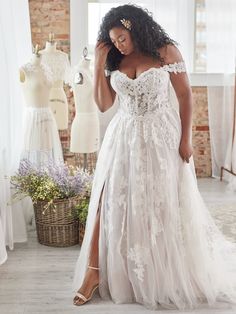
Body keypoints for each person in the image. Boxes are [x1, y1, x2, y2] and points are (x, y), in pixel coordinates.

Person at [73, 4, 236, 310]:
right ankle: (96, 273)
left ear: (134, 28)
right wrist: (98, 65)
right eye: (114, 40)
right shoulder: (114, 59)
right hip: (124, 136)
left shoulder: (166, 51)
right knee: (111, 201)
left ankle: (158, 269)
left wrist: (186, 140)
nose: (119, 44)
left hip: (161, 136)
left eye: (122, 37)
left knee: (159, 201)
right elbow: (104, 104)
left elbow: (186, 95)